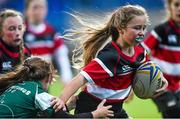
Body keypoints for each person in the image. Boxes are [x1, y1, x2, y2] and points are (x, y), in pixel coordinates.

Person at [51, 5, 168, 118]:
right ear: (121, 29)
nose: (142, 32)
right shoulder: (111, 57)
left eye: (143, 27)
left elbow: (149, 68)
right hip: (93, 107)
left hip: (115, 108)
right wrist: (61, 100)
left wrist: (161, 80)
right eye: (137, 28)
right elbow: (79, 79)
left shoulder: (140, 50)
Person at [0, 56, 114, 118]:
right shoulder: (38, 94)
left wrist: (67, 106)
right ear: (49, 78)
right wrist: (96, 114)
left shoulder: (14, 86)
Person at [141, 0, 180, 118]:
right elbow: (140, 52)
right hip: (159, 84)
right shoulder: (161, 30)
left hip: (177, 85)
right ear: (169, 7)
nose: (179, 8)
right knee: (173, 110)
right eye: (177, 4)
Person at [23, 0, 73, 85]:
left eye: (42, 7)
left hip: (44, 83)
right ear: (27, 10)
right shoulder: (20, 32)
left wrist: (67, 79)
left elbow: (62, 57)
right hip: (24, 81)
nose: (39, 11)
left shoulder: (52, 33)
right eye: (35, 7)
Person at [0, 9, 30, 74]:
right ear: (1, 31)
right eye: (11, 29)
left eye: (20, 28)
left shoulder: (26, 51)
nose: (17, 33)